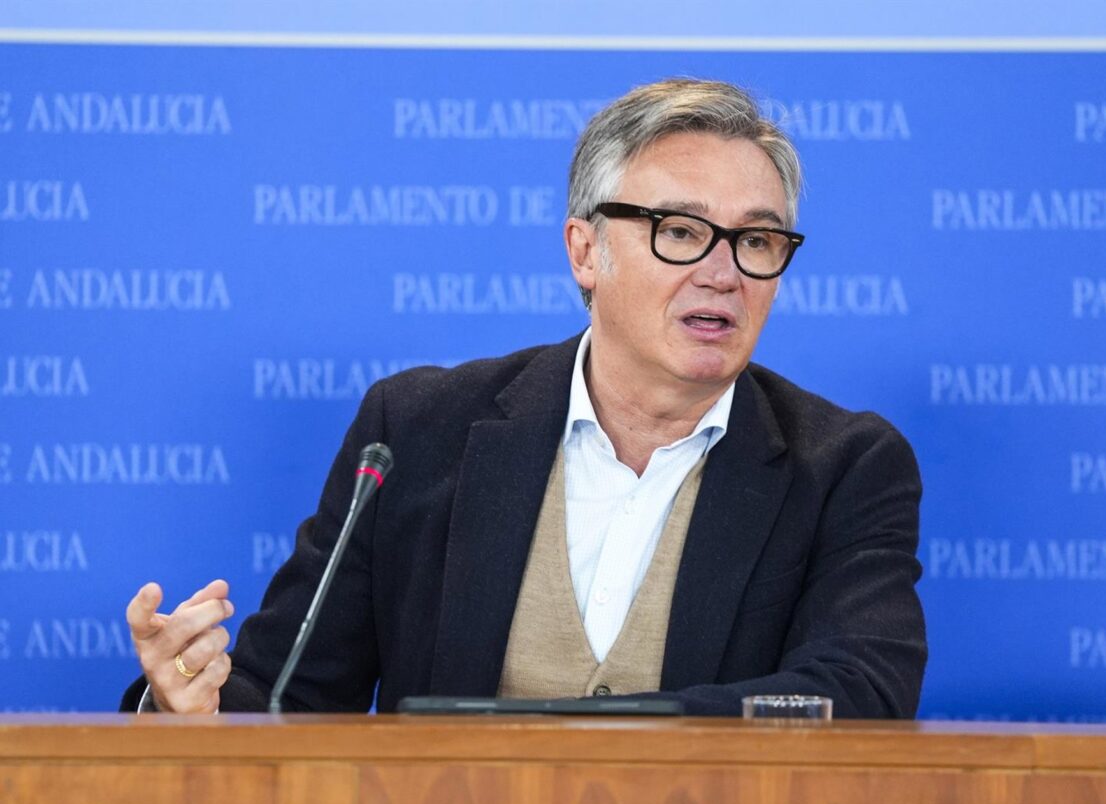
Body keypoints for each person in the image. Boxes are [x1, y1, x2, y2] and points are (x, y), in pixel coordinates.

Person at [123, 78, 926, 717]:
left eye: (756, 240)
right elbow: (289, 694)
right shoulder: (416, 431)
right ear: (585, 250)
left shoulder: (844, 467)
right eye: (680, 230)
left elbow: (857, 695)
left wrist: (598, 739)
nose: (722, 270)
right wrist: (182, 700)